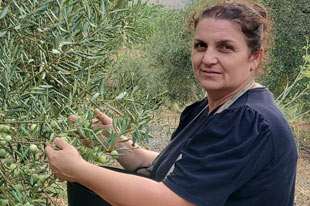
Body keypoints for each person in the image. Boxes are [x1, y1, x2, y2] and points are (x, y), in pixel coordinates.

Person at [45, 2, 298, 206]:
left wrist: (80, 171)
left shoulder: (247, 121)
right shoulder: (211, 109)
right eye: (201, 45)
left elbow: (173, 200)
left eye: (225, 48)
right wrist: (116, 144)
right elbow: (181, 167)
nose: (208, 58)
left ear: (254, 57)